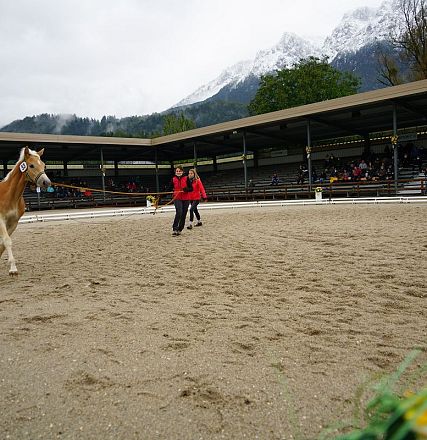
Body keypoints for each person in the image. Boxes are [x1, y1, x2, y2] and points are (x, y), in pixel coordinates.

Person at [171, 165, 192, 236]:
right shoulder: (173, 179)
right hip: (177, 198)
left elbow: (191, 188)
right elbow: (168, 188)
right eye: (177, 171)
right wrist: (160, 196)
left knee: (184, 214)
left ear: (182, 171)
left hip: (186, 198)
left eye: (180, 171)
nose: (178, 172)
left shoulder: (186, 178)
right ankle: (175, 228)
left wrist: (186, 189)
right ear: (175, 172)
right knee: (179, 212)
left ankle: (180, 229)